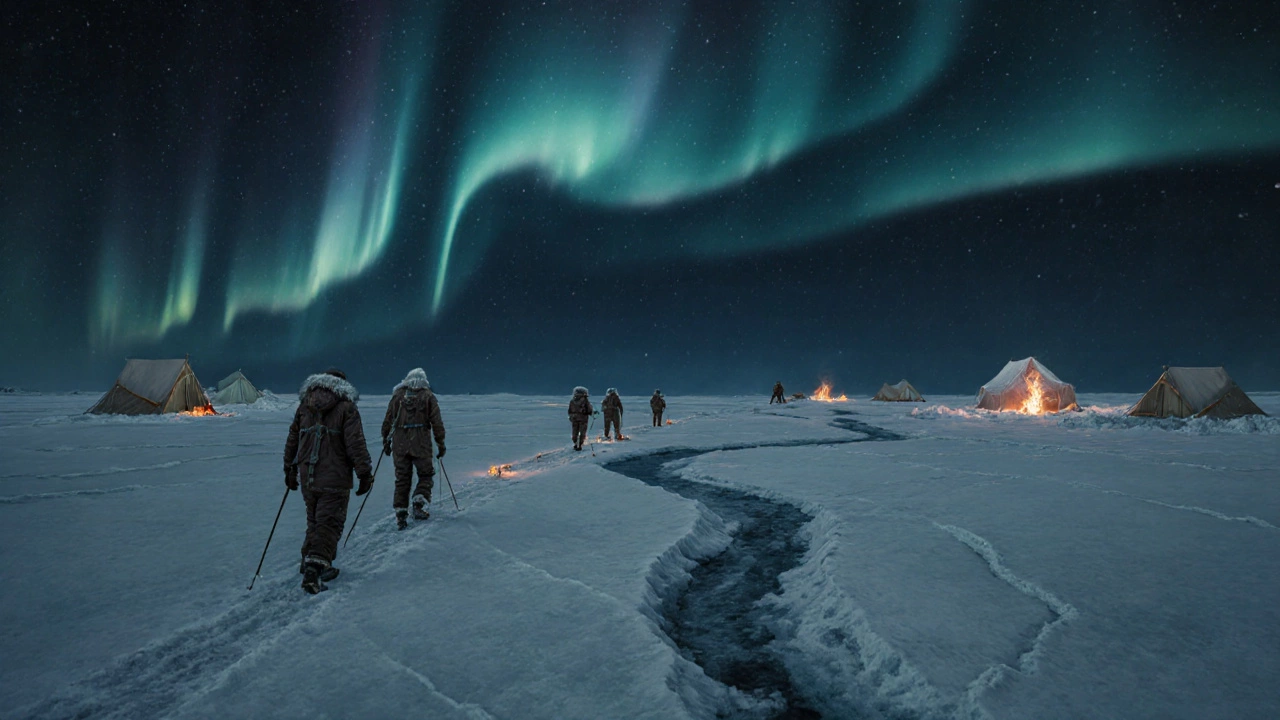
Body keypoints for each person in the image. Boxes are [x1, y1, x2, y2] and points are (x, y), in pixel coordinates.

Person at [284, 368, 375, 594]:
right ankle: (315, 569)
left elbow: (293, 440)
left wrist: (289, 469)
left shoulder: (305, 406)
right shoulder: (346, 408)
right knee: (330, 523)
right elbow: (355, 444)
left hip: (308, 476)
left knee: (315, 521)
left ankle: (310, 562)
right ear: (342, 385)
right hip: (334, 476)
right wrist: (364, 473)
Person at [381, 368, 445, 530]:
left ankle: (401, 513)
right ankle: (419, 502)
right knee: (425, 473)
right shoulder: (428, 396)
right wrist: (440, 443)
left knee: (402, 477)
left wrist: (386, 441)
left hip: (399, 442)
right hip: (421, 442)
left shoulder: (397, 396)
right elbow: (437, 422)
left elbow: (388, 420)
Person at [568, 386, 594, 451]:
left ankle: (578, 444)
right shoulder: (575, 401)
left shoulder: (575, 401)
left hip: (579, 419)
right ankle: (578, 444)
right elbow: (589, 409)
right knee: (579, 433)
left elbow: (570, 411)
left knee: (577, 433)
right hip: (580, 419)